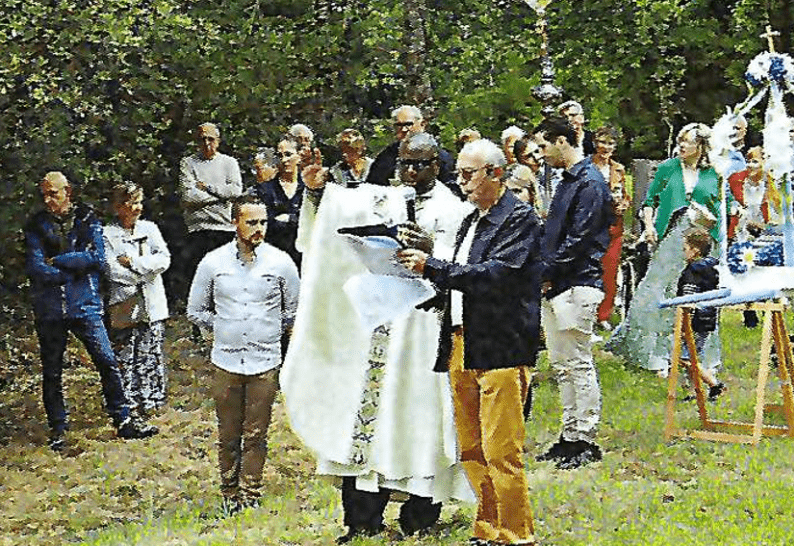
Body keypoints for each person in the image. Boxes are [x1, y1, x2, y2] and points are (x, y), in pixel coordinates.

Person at [293, 131, 475, 542]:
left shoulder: (455, 210)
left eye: (419, 164)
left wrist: (435, 250)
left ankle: (419, 512)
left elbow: (467, 264)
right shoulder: (383, 198)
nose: (410, 172)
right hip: (377, 327)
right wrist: (317, 190)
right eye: (404, 164)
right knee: (365, 416)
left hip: (423, 329)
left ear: (436, 166)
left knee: (418, 417)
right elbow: (339, 209)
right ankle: (362, 519)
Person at [398, 139, 540, 546]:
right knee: (472, 448)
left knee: (502, 450)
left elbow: (495, 275)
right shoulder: (471, 219)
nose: (459, 182)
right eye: (457, 173)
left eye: (467, 174)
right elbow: (460, 277)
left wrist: (435, 267)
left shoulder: (520, 219)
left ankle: (517, 534)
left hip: (501, 344)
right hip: (462, 340)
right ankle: (489, 528)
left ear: (495, 174)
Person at [25, 171, 158, 451]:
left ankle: (123, 419)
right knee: (52, 371)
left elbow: (96, 257)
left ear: (68, 192)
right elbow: (36, 267)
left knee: (107, 361)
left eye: (54, 194)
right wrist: (68, 271)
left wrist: (59, 260)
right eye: (45, 194)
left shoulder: (86, 218)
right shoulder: (36, 225)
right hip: (49, 309)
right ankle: (58, 429)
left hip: (84, 303)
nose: (49, 200)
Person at [188, 195, 300, 513]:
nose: (258, 229)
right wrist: (223, 326)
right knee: (228, 432)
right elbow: (196, 310)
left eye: (263, 222)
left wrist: (271, 330)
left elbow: (293, 310)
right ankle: (229, 491)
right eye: (251, 222)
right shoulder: (213, 263)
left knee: (256, 432)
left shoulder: (281, 262)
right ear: (234, 223)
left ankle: (251, 492)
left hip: (265, 361)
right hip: (226, 360)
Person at [607, 123, 721, 374]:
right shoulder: (669, 168)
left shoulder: (713, 173)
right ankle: (653, 354)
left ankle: (697, 353)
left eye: (687, 142)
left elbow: (724, 204)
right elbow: (649, 201)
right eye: (679, 140)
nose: (681, 145)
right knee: (658, 292)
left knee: (700, 296)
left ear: (701, 146)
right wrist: (649, 226)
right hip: (671, 238)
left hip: (702, 241)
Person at [533, 117, 612, 469]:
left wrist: (547, 272)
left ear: (563, 141)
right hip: (557, 283)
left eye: (544, 145)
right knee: (561, 365)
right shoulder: (567, 181)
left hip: (579, 281)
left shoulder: (590, 182)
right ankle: (568, 435)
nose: (541, 153)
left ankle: (586, 438)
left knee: (579, 362)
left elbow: (579, 238)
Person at [102, 181, 172, 418]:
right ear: (119, 207)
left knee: (150, 352)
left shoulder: (150, 229)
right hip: (124, 303)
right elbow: (112, 271)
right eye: (131, 203)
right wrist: (145, 274)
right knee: (125, 354)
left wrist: (134, 264)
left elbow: (163, 260)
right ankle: (128, 403)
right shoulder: (107, 234)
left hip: (152, 302)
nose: (137, 208)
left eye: (139, 202)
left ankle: (152, 400)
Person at [179, 122, 243, 324]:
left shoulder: (229, 163)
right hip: (198, 228)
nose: (206, 143)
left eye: (211, 139)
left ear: (218, 140)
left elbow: (235, 191)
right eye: (202, 139)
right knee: (202, 280)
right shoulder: (188, 163)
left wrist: (207, 187)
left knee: (227, 278)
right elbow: (189, 196)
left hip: (224, 228)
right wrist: (221, 196)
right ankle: (201, 327)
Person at [676, 227, 724, 401]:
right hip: (708, 318)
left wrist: (683, 323)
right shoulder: (712, 269)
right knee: (693, 355)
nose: (683, 253)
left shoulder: (692, 272)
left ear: (695, 251)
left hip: (694, 321)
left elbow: (687, 301)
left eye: (685, 249)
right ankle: (693, 391)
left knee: (685, 358)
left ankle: (714, 384)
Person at [367, 105, 458, 195]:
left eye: (408, 124)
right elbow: (373, 187)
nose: (403, 129)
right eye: (399, 125)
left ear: (422, 124)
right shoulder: (386, 156)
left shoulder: (440, 156)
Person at [591, 125, 632, 328]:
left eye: (610, 143)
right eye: (603, 142)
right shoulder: (587, 166)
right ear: (595, 143)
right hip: (591, 226)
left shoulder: (618, 169)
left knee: (610, 271)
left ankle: (604, 315)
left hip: (614, 227)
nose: (606, 147)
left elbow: (624, 195)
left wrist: (624, 203)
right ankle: (588, 312)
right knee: (590, 270)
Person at [256, 135, 305, 266]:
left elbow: (312, 222)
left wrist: (289, 219)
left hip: (303, 258)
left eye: (288, 154)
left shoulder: (308, 190)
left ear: (299, 156)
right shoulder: (265, 189)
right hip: (272, 258)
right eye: (280, 155)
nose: (284, 160)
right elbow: (265, 223)